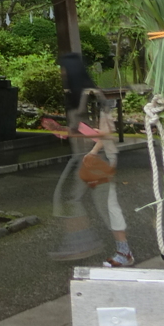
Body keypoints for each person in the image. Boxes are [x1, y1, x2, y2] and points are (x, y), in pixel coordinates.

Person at [47, 52, 134, 267]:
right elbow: (85, 130)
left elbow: (105, 132)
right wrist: (61, 130)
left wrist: (93, 151)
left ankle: (123, 252)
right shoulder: (79, 94)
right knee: (68, 198)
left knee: (106, 205)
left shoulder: (93, 95)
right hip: (86, 155)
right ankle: (80, 243)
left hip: (98, 156)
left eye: (64, 69)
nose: (62, 74)